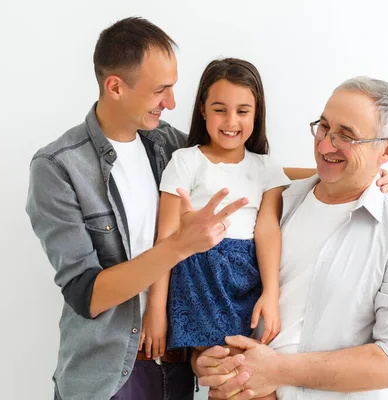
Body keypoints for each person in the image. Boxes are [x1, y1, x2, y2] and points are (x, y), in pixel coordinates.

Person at [26, 16, 388, 400]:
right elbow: (88, 295)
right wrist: (181, 247)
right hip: (109, 370)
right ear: (115, 86)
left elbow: (240, 169)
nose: (171, 103)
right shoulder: (59, 168)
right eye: (161, 90)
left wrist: (358, 173)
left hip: (179, 363)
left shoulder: (164, 143)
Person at [194, 77, 388, 400]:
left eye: (346, 136)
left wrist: (276, 370)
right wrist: (204, 358)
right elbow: (219, 291)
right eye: (323, 127)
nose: (324, 146)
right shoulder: (273, 203)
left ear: (387, 149)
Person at [141, 59, 287, 400]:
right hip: (200, 277)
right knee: (227, 369)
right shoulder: (186, 161)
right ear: (203, 110)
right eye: (220, 109)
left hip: (245, 278)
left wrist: (271, 293)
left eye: (243, 111)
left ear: (256, 113)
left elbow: (267, 230)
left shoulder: (266, 167)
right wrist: (156, 310)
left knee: (244, 373)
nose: (231, 121)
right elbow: (166, 238)